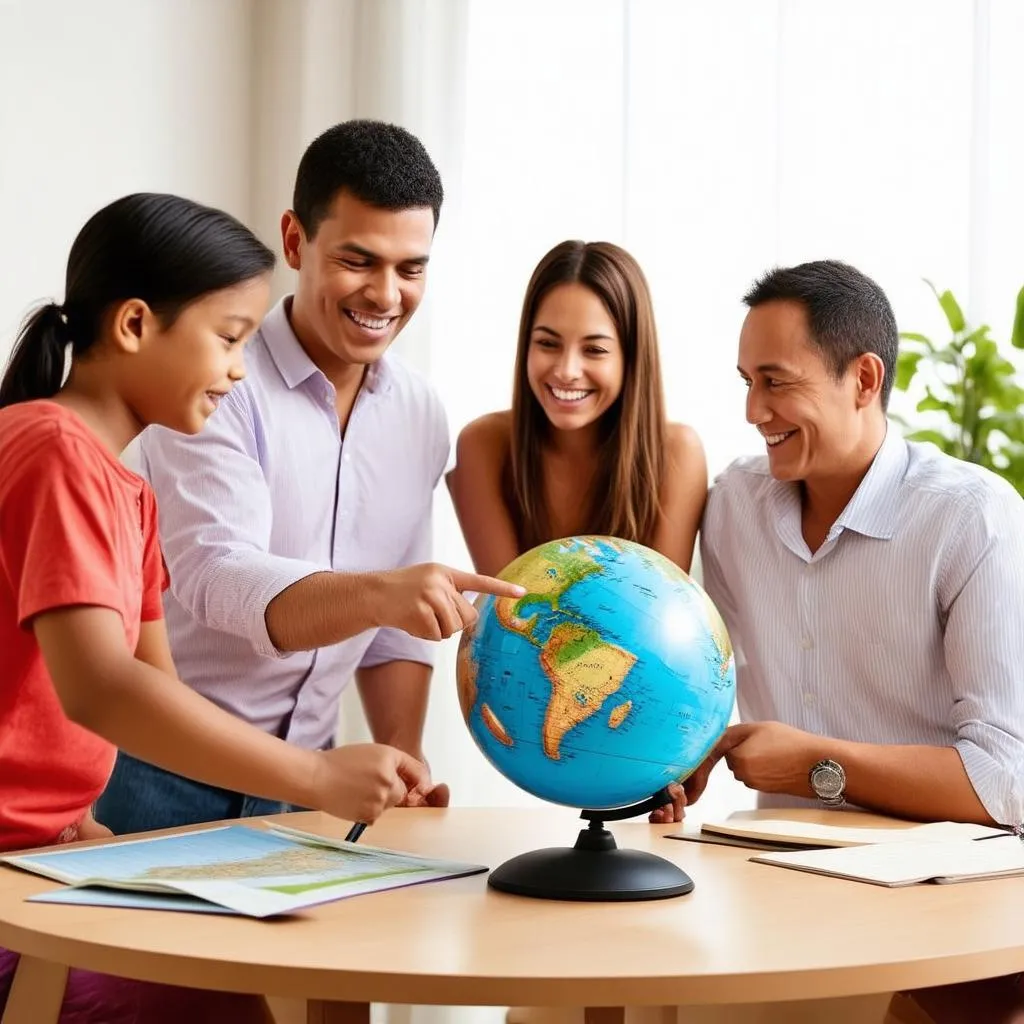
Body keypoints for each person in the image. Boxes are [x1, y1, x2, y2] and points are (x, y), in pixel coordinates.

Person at [0, 192, 438, 1023]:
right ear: (134, 325)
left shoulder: (128, 488)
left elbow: (156, 698)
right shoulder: (55, 452)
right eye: (229, 338)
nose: (240, 369)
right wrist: (314, 775)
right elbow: (101, 689)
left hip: (50, 855)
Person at [96, 121, 522, 835]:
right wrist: (383, 595)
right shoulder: (212, 378)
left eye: (411, 268)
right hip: (167, 777)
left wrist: (401, 753)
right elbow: (217, 576)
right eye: (359, 260)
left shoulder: (420, 411)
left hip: (315, 789)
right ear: (296, 242)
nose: (386, 295)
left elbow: (397, 629)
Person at [689, 259, 1024, 1024]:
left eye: (775, 381)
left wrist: (816, 765)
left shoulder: (970, 518)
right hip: (775, 882)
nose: (752, 409)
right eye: (745, 381)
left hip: (945, 898)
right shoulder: (734, 504)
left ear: (864, 379)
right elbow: (699, 666)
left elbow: (1008, 782)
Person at [447, 239, 707, 823]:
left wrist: (663, 768)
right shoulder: (484, 447)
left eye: (594, 349)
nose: (566, 371)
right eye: (547, 344)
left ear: (631, 358)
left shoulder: (676, 454)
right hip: (541, 729)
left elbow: (657, 635)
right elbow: (511, 624)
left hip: (622, 730)